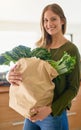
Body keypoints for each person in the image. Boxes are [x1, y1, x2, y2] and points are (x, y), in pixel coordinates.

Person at [6, 3, 80, 130]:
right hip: (32, 111)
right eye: (45, 20)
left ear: (62, 20)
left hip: (54, 115)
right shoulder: (39, 47)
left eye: (53, 19)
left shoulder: (71, 50)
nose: (49, 23)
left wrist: (50, 109)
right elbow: (29, 76)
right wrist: (9, 75)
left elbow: (73, 88)